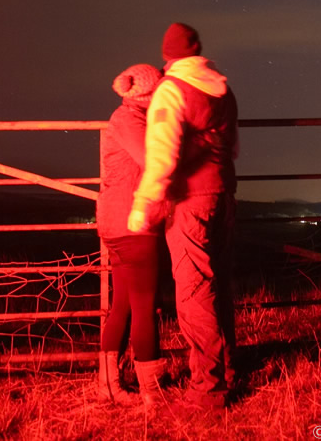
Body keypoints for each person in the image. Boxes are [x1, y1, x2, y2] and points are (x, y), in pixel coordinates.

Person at [128, 23, 238, 412]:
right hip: (223, 194)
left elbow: (161, 156)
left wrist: (143, 205)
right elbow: (233, 145)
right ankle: (227, 371)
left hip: (190, 200)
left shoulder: (171, 90)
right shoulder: (222, 88)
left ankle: (206, 390)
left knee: (193, 291)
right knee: (219, 286)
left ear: (167, 56)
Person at [96, 62, 168, 406]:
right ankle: (153, 394)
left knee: (123, 304)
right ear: (151, 93)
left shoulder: (124, 118)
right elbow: (153, 162)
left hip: (115, 221)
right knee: (144, 305)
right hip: (133, 223)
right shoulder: (131, 121)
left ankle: (109, 386)